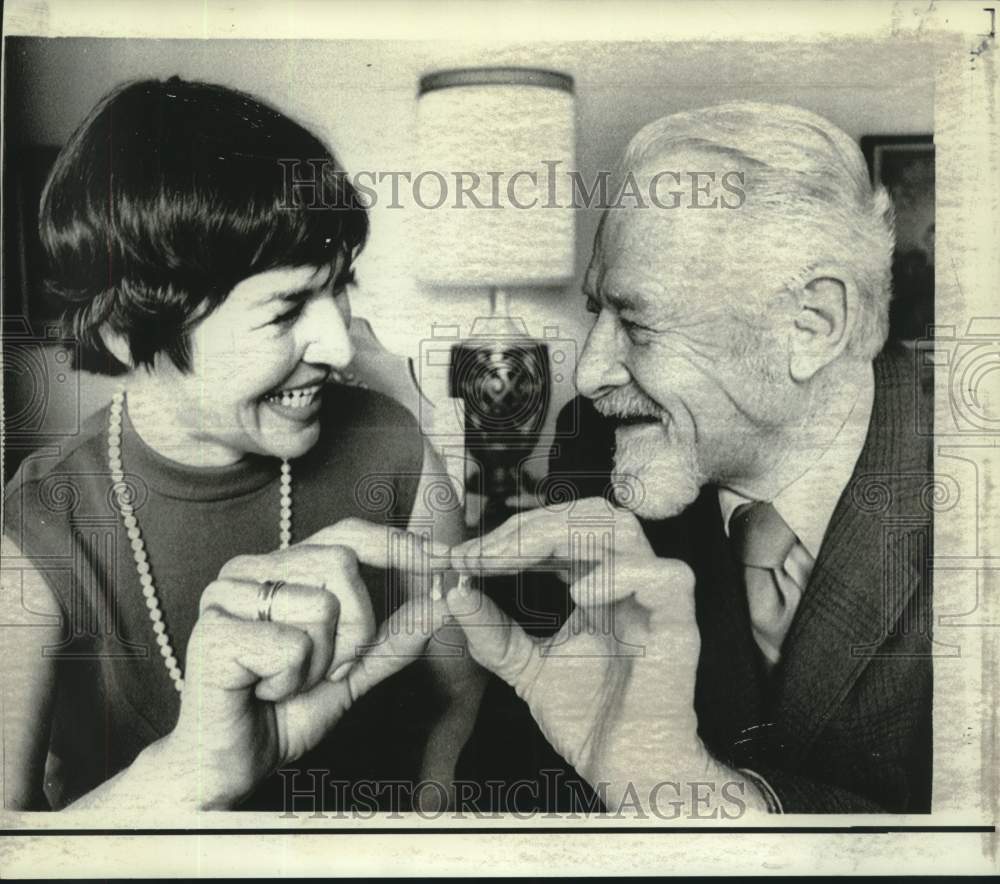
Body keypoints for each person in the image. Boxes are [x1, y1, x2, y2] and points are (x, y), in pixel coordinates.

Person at [1, 77, 484, 812]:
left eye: (340, 286)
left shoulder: (397, 453)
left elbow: (457, 705)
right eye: (287, 307)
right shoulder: (39, 527)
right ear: (128, 333)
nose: (335, 343)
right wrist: (189, 775)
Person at [447, 102, 933, 814]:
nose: (588, 374)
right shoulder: (596, 447)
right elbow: (501, 789)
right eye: (596, 314)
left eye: (637, 323)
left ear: (811, 326)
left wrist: (699, 796)